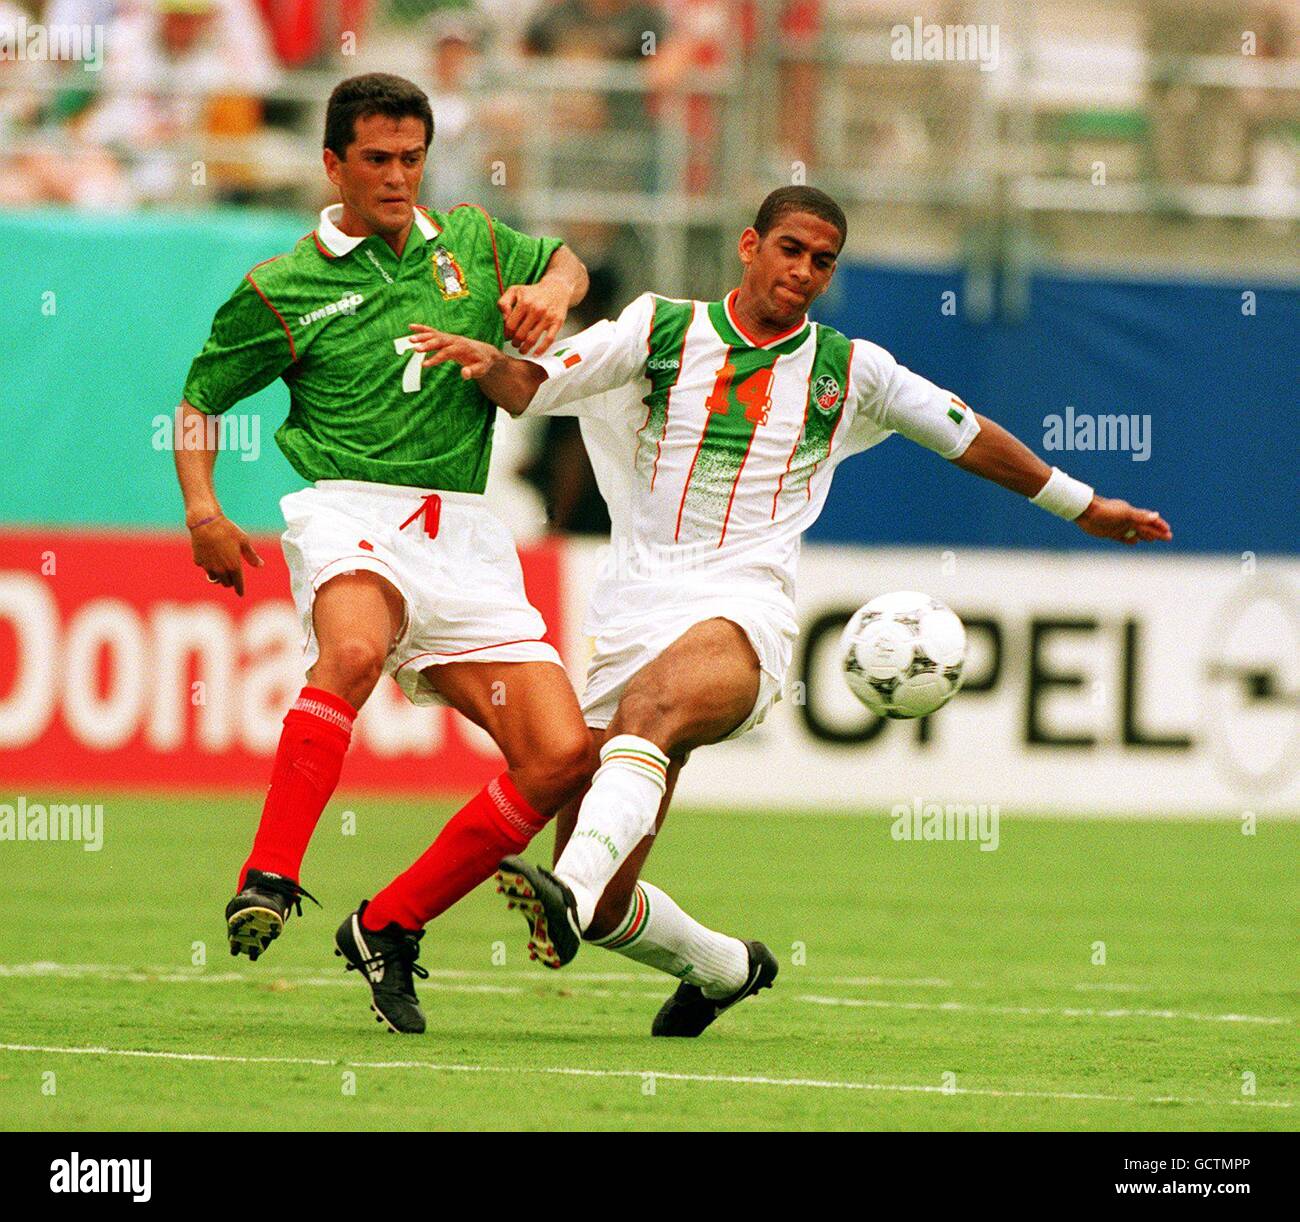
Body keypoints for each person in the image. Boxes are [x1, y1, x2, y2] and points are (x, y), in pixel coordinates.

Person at [406, 184, 1173, 1037]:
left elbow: (965, 431)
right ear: (749, 245)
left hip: (745, 610)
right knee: (609, 902)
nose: (805, 272)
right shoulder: (661, 329)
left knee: (648, 723)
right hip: (633, 612)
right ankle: (725, 967)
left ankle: (568, 890)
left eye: (823, 261)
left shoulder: (851, 370)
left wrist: (1082, 503)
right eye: (792, 251)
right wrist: (483, 357)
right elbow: (534, 387)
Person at [175, 73, 594, 1034]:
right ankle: (270, 873)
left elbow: (567, 260)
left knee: (561, 757)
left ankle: (388, 924)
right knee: (355, 652)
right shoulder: (284, 287)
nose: (399, 176)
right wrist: (203, 511)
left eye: (411, 157)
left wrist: (551, 293)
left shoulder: (478, 244)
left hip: (465, 530)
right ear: (333, 164)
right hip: (348, 511)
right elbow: (198, 400)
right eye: (377, 159)